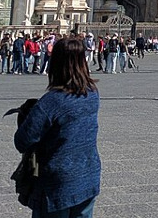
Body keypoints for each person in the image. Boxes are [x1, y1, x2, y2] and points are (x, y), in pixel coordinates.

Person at [14, 37, 101, 218]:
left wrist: (27, 116)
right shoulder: (92, 94)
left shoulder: (52, 101)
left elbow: (22, 141)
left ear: (56, 63)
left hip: (58, 184)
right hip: (88, 174)